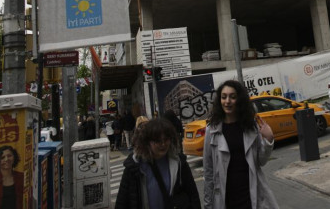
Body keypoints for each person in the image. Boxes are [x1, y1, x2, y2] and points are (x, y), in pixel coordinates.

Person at [203, 80, 279, 209]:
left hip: (250, 194)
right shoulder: (212, 130)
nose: (227, 101)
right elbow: (208, 172)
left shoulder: (251, 126)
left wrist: (268, 139)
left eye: (232, 97)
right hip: (225, 198)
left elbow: (260, 161)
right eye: (223, 97)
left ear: (240, 100)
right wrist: (208, 205)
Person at [115, 117, 201, 209]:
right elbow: (122, 201)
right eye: (157, 141)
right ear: (147, 142)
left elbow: (193, 195)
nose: (163, 144)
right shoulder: (134, 166)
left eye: (166, 139)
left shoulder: (179, 163)